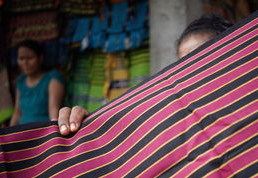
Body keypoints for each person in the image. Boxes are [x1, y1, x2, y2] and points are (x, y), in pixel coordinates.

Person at [58, 13, 232, 135]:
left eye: (202, 57)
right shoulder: (175, 115)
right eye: (184, 63)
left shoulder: (252, 103)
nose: (191, 70)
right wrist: (91, 128)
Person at [10, 39, 65, 126]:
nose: (25, 63)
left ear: (40, 58)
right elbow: (17, 112)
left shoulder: (52, 78)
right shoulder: (20, 81)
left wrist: (53, 135)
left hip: (42, 132)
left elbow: (54, 114)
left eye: (29, 58)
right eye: (21, 58)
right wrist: (9, 136)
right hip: (22, 132)